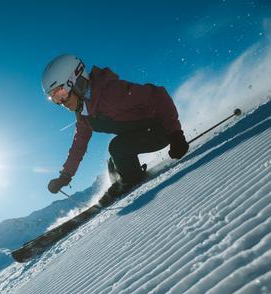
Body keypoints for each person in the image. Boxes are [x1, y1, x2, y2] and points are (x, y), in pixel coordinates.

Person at [42, 54, 189, 196]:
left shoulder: (111, 93)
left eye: (60, 94)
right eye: (55, 99)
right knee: (113, 163)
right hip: (140, 133)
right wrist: (64, 177)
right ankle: (123, 182)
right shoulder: (84, 117)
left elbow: (158, 95)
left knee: (116, 148)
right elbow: (78, 147)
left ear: (74, 81)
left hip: (162, 130)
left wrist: (175, 134)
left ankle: (131, 181)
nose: (62, 102)